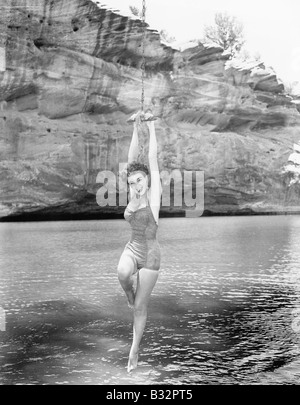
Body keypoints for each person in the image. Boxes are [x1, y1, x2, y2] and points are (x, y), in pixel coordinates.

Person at [117, 111, 162, 373]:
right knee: (123, 272)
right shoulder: (133, 193)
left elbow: (150, 160)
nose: (136, 184)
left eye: (140, 180)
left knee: (139, 309)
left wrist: (152, 126)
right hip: (132, 249)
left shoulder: (153, 197)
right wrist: (136, 125)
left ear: (147, 181)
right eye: (132, 181)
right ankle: (128, 291)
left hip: (151, 257)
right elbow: (132, 161)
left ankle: (134, 349)